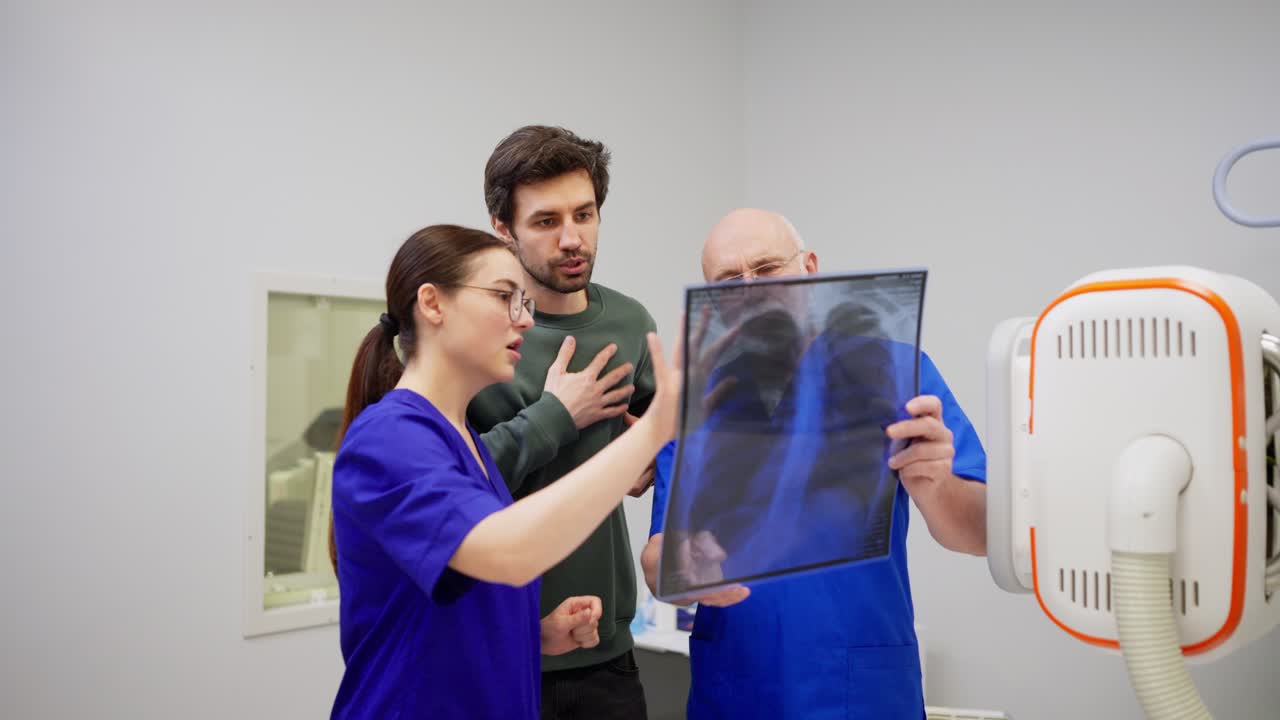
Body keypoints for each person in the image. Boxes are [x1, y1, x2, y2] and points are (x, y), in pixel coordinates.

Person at [641, 209, 987, 718]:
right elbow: (655, 560)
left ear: (810, 269)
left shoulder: (894, 370)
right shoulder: (693, 404)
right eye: (729, 281)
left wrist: (936, 487)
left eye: (767, 268)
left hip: (859, 689)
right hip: (737, 689)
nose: (752, 289)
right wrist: (680, 564)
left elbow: (979, 533)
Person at [329, 224, 679, 719]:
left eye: (524, 303)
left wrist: (535, 636)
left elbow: (445, 620)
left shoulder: (467, 445)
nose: (525, 321)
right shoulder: (389, 438)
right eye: (503, 298)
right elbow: (511, 551)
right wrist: (652, 432)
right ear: (432, 304)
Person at [467, 126, 659, 720]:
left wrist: (649, 459)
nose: (573, 239)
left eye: (586, 214)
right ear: (504, 229)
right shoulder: (475, 333)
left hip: (607, 653)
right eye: (547, 221)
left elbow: (659, 451)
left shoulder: (631, 323)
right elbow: (451, 483)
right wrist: (555, 417)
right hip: (500, 652)